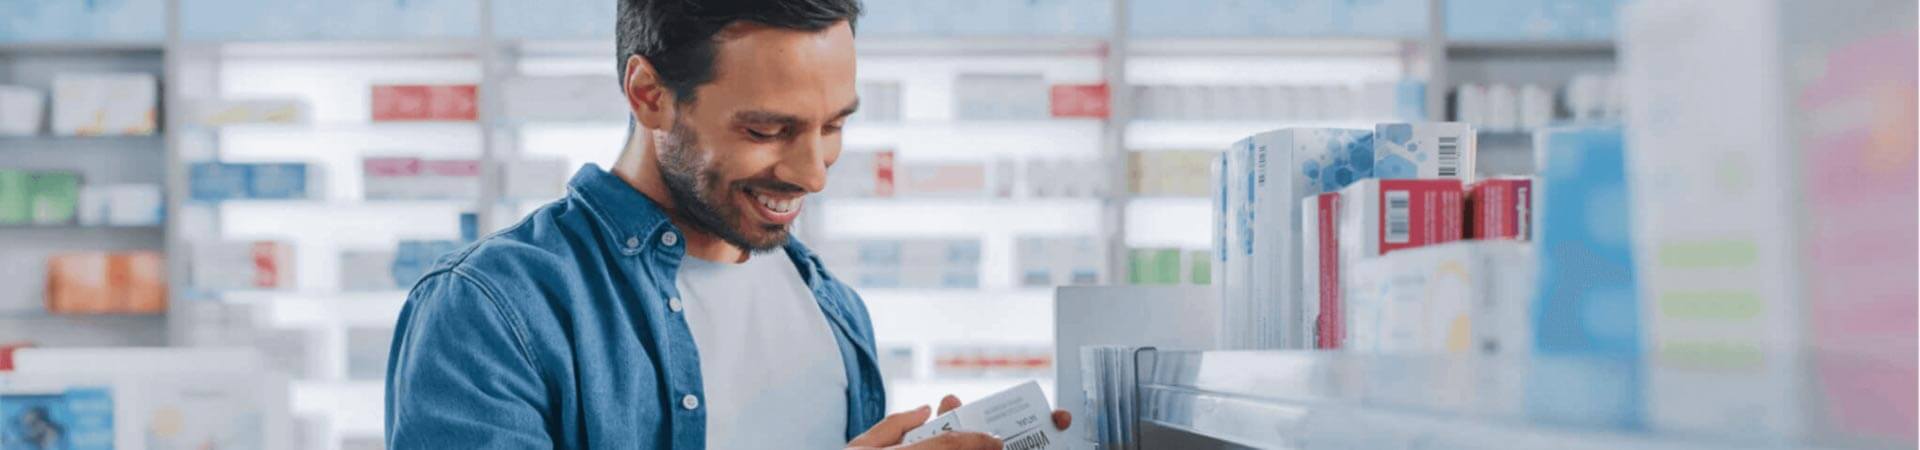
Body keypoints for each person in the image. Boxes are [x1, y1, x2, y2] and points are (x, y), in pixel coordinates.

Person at [383, 0, 1070, 448]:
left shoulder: (834, 310)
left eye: (833, 126)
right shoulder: (489, 310)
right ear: (649, 95)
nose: (813, 173)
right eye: (768, 129)